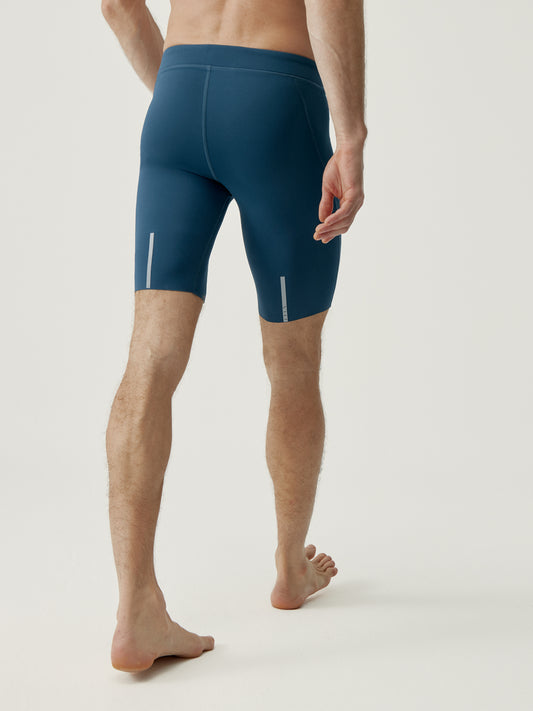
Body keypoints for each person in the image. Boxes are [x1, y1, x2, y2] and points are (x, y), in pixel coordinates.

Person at [102, 0, 367, 673]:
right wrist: (350, 136)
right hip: (276, 101)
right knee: (292, 358)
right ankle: (290, 567)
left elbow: (115, 3)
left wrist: (189, 96)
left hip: (177, 98)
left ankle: (135, 610)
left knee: (149, 359)